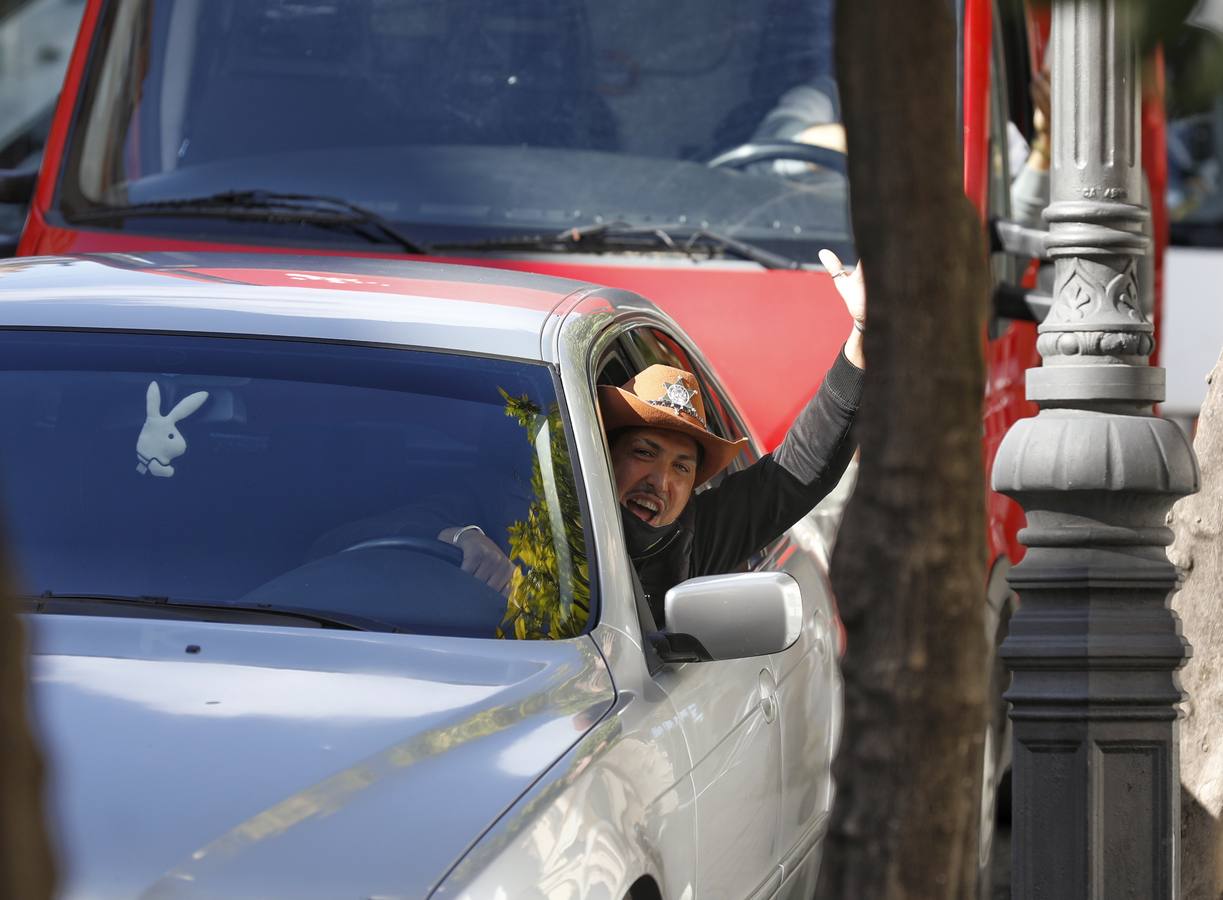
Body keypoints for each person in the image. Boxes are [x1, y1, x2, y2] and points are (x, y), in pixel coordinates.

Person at [441, 248, 866, 619]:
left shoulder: (694, 536)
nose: (661, 481)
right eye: (645, 452)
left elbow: (799, 469)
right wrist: (465, 538)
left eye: (682, 466)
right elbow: (403, 512)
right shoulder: (525, 505)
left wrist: (865, 336)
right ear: (603, 454)